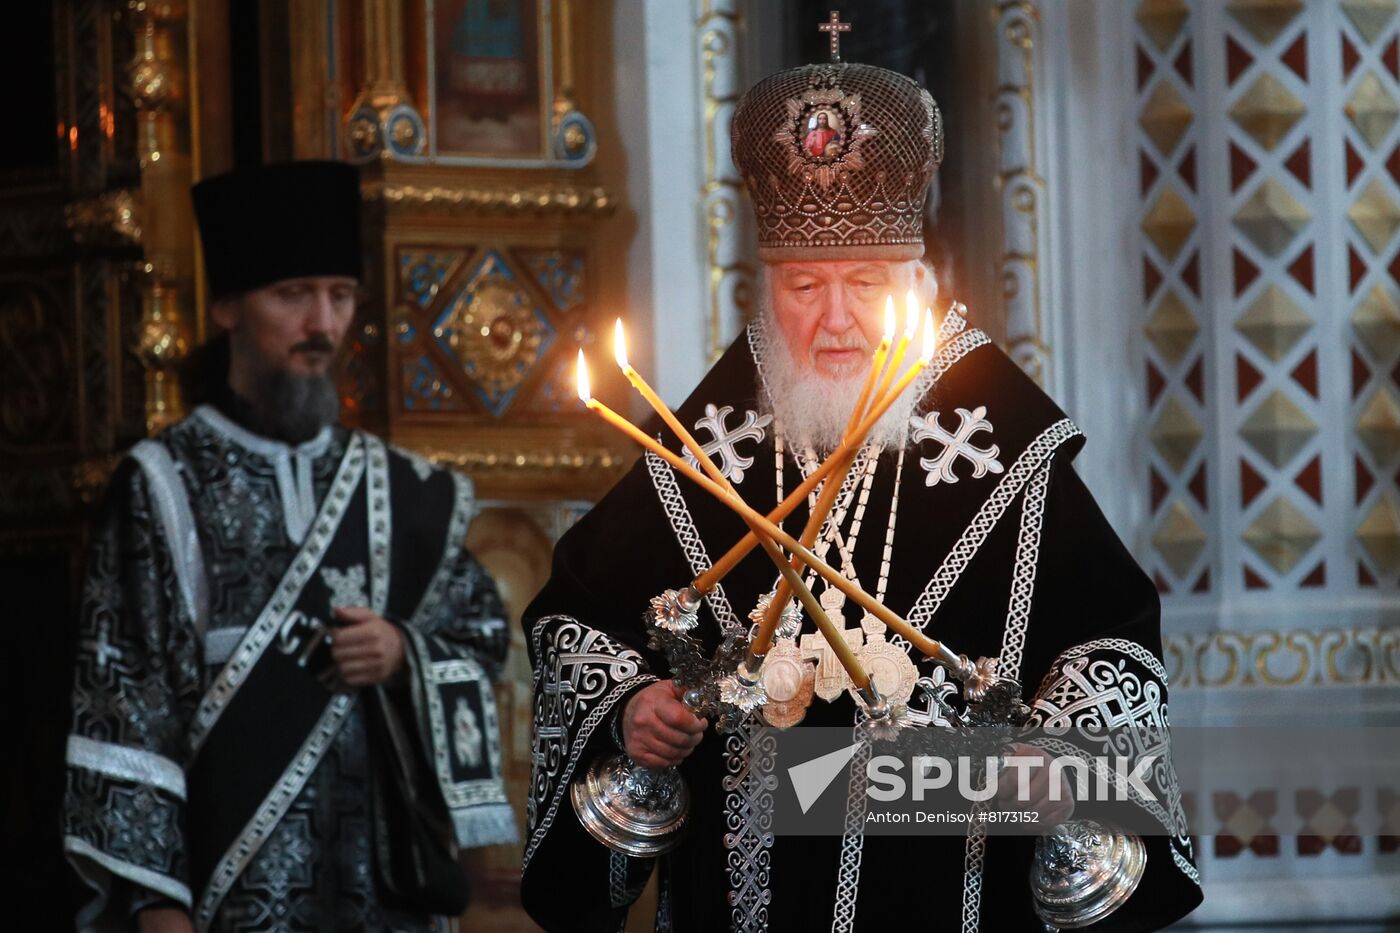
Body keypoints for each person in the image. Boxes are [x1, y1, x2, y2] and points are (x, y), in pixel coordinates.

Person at [519, 53, 1203, 933]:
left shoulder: (1001, 438)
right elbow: (575, 617)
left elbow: (1114, 640)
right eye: (804, 286)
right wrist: (628, 709)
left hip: (950, 875)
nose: (835, 319)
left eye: (865, 284)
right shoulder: (710, 438)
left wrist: (1058, 752)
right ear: (765, 285)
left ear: (915, 277)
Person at [63, 161, 515, 933]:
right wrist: (157, 904)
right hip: (227, 893)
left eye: (340, 296)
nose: (322, 324)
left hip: (383, 895)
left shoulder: (407, 490)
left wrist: (404, 653)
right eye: (293, 295)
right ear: (227, 307)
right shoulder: (163, 483)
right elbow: (128, 701)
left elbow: (482, 636)